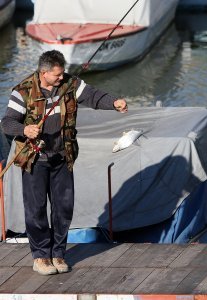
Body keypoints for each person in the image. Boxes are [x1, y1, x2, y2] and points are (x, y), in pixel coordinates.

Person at [1, 50, 128, 275]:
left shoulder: (70, 84)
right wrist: (24, 129)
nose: (62, 78)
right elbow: (7, 123)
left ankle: (58, 254)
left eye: (62, 74)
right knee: (36, 209)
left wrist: (114, 102)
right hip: (35, 159)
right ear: (43, 73)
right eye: (57, 75)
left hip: (62, 157)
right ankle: (41, 256)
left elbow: (93, 96)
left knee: (63, 208)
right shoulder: (22, 92)